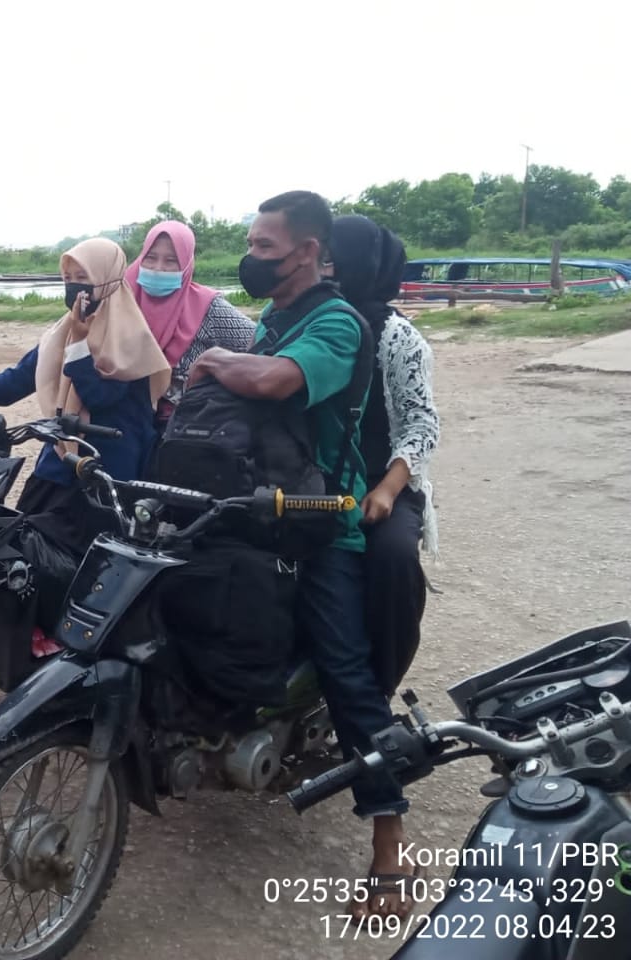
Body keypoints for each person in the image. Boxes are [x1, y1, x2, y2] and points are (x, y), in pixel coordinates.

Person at [187, 191, 416, 921]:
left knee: (347, 672)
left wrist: (218, 354)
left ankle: (390, 846)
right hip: (264, 508)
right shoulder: (278, 316)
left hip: (325, 525)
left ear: (311, 252)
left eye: (265, 248)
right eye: (250, 246)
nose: (252, 259)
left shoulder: (338, 323)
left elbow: (273, 381)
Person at [0, 236, 170, 554]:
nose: (74, 288)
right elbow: (18, 380)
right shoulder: (64, 331)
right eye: (67, 279)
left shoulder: (130, 337)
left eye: (83, 278)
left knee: (90, 566)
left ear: (107, 280)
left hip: (108, 477)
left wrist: (80, 345)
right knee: (26, 552)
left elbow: (100, 396)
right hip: (60, 461)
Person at [326, 214, 439, 696]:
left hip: (380, 480)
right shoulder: (313, 323)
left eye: (334, 258)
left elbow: (421, 423)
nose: (325, 268)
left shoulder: (397, 337)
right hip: (319, 476)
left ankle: (380, 690)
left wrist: (389, 490)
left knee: (392, 559)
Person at [124, 219, 256, 426]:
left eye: (171, 261)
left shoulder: (207, 307)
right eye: (151, 258)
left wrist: (215, 369)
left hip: (185, 427)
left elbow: (259, 343)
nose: (159, 268)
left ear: (186, 264)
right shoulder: (124, 299)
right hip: (127, 422)